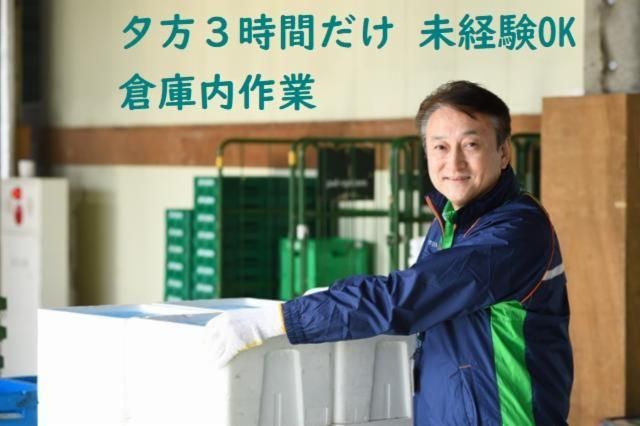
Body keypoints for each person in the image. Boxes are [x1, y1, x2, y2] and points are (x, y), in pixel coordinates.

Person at [205, 81, 573, 425]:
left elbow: (405, 299)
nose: (454, 163)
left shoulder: (514, 232)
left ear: (503, 152)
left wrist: (282, 320)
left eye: (471, 145)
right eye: (440, 147)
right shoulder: (451, 219)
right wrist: (333, 302)